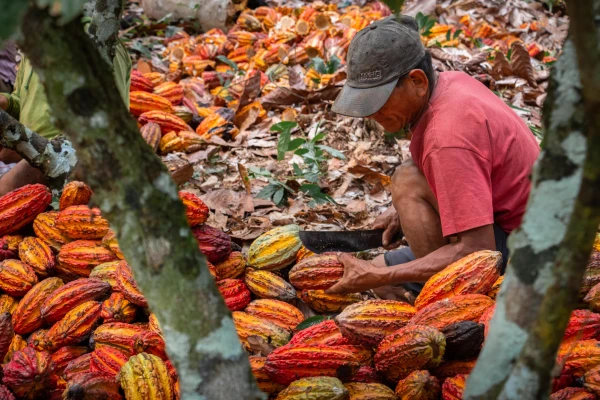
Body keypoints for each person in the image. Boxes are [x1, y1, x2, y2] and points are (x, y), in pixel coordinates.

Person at [327, 15, 540, 300]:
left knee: (405, 184)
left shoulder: (447, 137)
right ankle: (425, 272)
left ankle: (448, 297)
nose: (370, 114)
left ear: (417, 81)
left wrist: (381, 275)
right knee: (408, 181)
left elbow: (479, 252)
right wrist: (400, 213)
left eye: (377, 101)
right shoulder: (451, 84)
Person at [0, 29, 131, 196]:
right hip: (30, 152)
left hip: (69, 163)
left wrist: (28, 149)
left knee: (5, 190)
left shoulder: (100, 45)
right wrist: (6, 103)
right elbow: (22, 100)